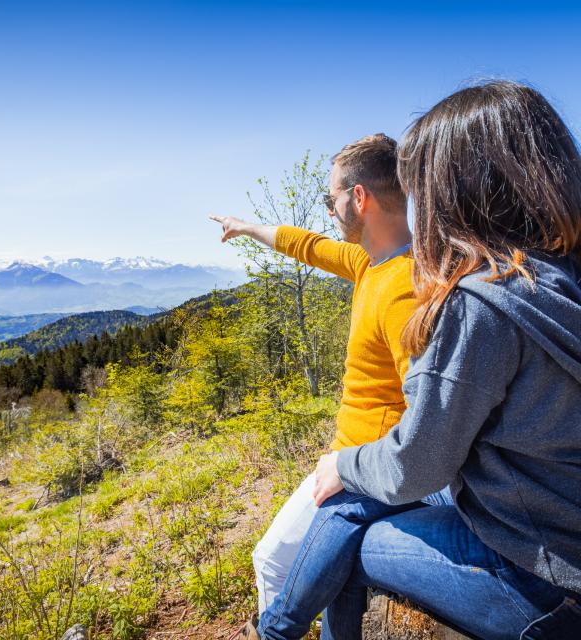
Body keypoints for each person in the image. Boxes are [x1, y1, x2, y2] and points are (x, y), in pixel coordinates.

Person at [252, 80, 581, 640]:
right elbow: (314, 246)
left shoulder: (479, 304)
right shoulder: (555, 273)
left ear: (458, 189)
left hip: (541, 575)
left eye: (424, 185)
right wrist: (249, 227)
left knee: (342, 531)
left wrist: (344, 465)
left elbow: (418, 461)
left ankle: (275, 630)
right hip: (556, 525)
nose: (418, 203)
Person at [210, 134, 415, 620]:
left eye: (331, 198)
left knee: (271, 561)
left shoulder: (402, 287)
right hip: (356, 464)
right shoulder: (373, 263)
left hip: (363, 470)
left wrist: (356, 470)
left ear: (359, 198)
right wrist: (246, 227)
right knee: (331, 591)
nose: (328, 209)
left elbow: (432, 408)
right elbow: (307, 246)